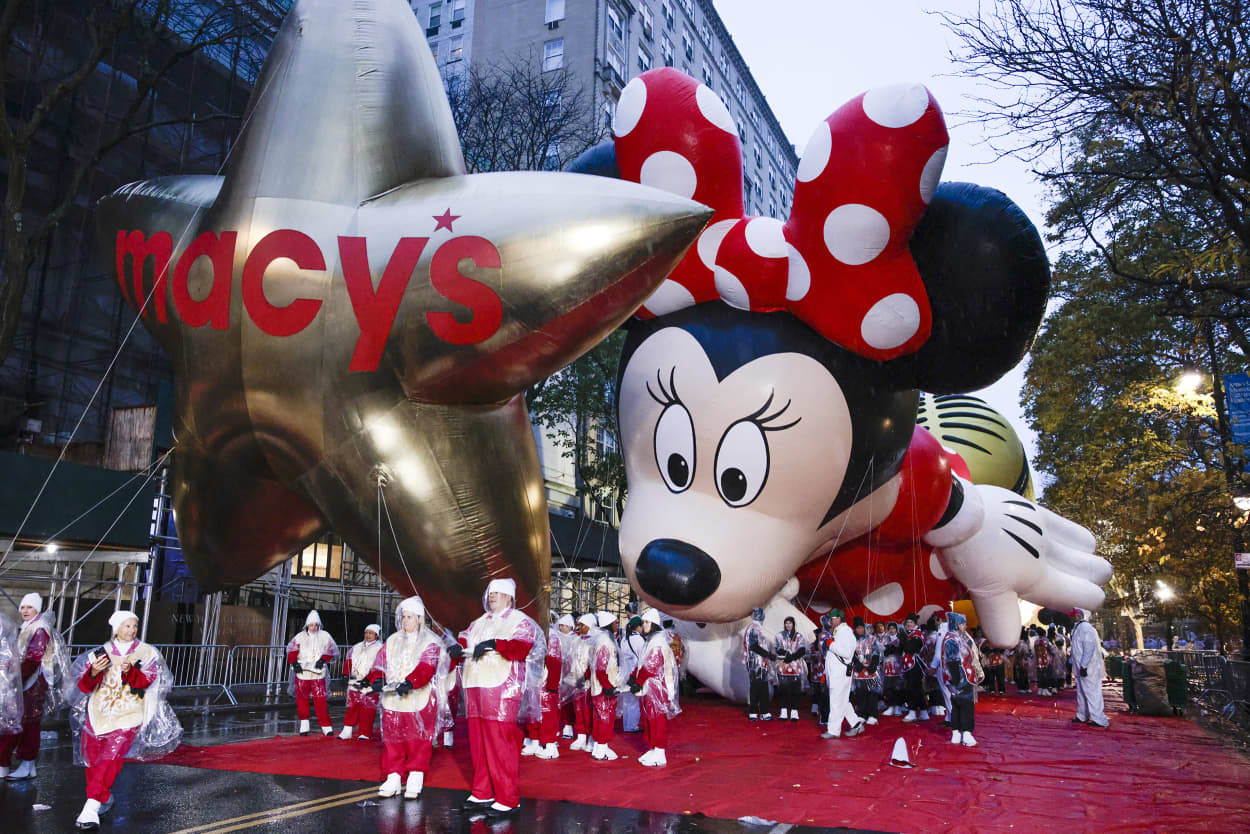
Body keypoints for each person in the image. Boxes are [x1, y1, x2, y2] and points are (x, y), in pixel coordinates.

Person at [69, 610, 181, 830]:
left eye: (134, 626)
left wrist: (130, 672)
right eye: (127, 626)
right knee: (92, 758)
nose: (131, 630)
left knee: (110, 758)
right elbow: (84, 686)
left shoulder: (146, 652)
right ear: (116, 628)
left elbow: (148, 681)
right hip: (98, 712)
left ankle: (90, 807)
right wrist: (93, 672)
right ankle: (103, 797)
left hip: (130, 714)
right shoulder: (101, 653)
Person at [459, 577, 542, 818]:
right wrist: (459, 646)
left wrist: (496, 643)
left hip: (502, 688)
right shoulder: (480, 621)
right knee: (478, 741)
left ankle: (507, 797)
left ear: (508, 596)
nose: (492, 596)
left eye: (497, 592)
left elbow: (522, 647)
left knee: (499, 742)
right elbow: (466, 637)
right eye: (490, 592)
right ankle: (482, 791)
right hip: (475, 685)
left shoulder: (520, 621)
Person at [369, 596, 449, 800]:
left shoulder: (430, 641)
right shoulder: (393, 640)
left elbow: (427, 666)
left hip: (418, 698)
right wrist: (377, 678)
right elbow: (380, 662)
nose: (405, 621)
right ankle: (393, 776)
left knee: (418, 739)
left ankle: (415, 776)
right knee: (392, 738)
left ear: (419, 619)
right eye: (403, 617)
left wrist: (411, 682)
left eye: (410, 617)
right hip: (393, 698)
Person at [2, 593, 68, 780]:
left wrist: (15, 677)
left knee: (28, 723)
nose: (25, 610)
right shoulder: (29, 627)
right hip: (26, 682)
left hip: (32, 683)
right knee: (23, 722)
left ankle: (27, 762)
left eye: (29, 607)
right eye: (23, 607)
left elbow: (32, 659)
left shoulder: (39, 629)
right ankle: (25, 764)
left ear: (37, 609)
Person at [630, 608, 680, 766]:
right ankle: (654, 748)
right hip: (650, 688)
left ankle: (660, 750)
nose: (644, 625)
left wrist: (637, 681)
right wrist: (634, 678)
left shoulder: (658, 643)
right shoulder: (651, 641)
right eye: (643, 622)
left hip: (658, 689)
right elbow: (642, 664)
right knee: (650, 719)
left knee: (658, 720)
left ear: (654, 624)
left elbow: (650, 666)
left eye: (646, 622)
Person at [286, 610, 338, 736]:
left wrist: (323, 660)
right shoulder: (300, 637)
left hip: (318, 672)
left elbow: (331, 650)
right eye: (311, 625)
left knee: (320, 699)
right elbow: (292, 651)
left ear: (319, 625)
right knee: (302, 698)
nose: (313, 627)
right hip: (302, 673)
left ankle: (325, 725)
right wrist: (294, 663)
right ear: (307, 625)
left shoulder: (325, 636)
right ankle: (304, 723)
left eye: (316, 625)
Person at [529, 613, 570, 759]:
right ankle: (536, 741)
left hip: (546, 682)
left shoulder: (551, 637)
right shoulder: (536, 634)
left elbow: (554, 660)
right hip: (536, 681)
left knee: (548, 714)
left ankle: (551, 745)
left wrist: (552, 684)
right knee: (534, 712)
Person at [821, 609, 865, 739]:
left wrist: (831, 644)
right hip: (836, 673)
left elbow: (846, 654)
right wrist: (826, 673)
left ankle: (833, 730)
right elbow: (832, 657)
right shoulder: (839, 632)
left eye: (832, 618)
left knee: (835, 701)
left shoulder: (845, 633)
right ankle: (857, 724)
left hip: (840, 673)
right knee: (842, 701)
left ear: (839, 619)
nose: (830, 620)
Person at [340, 624, 384, 740]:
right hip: (355, 680)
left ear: (376, 635)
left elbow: (380, 667)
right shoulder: (357, 647)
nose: (368, 635)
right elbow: (349, 660)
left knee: (368, 707)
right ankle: (347, 729)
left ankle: (364, 732)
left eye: (371, 633)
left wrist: (371, 680)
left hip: (369, 682)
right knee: (352, 706)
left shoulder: (380, 648)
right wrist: (345, 674)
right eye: (366, 632)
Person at [941, 612, 978, 747]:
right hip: (960, 677)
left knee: (956, 704)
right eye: (963, 624)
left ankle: (956, 733)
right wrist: (956, 678)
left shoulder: (955, 637)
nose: (965, 626)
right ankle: (966, 733)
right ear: (956, 624)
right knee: (966, 705)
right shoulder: (952, 639)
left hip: (958, 676)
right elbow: (953, 660)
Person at [588, 611, 622, 760]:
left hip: (599, 685)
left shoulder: (602, 640)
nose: (617, 625)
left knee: (599, 716)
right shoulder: (605, 643)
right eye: (615, 623)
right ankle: (602, 747)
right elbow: (601, 668)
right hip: (603, 687)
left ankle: (598, 747)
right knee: (605, 718)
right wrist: (608, 686)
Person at [1070, 608, 1109, 727]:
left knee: (1092, 692)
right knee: (1081, 693)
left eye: (1073, 616)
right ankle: (1082, 715)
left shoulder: (1086, 629)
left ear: (1078, 616)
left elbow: (1089, 648)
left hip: (1088, 668)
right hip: (1080, 666)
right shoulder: (1078, 628)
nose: (1071, 618)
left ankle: (1099, 719)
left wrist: (1084, 666)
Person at [567, 614, 596, 751]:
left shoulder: (594, 641)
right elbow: (573, 659)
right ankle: (581, 735)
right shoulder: (577, 640)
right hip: (577, 680)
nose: (580, 627)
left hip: (589, 681)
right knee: (578, 708)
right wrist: (573, 675)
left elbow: (594, 663)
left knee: (588, 709)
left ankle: (591, 736)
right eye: (580, 625)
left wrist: (585, 677)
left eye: (583, 625)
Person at [742, 607, 775, 721]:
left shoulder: (757, 628)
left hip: (760, 662)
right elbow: (753, 646)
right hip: (755, 662)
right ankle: (754, 711)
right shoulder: (754, 628)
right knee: (756, 687)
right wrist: (768, 655)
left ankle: (763, 711)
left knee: (762, 686)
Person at [773, 616, 807, 721]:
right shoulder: (779, 635)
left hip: (796, 666)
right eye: (786, 623)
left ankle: (794, 711)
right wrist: (785, 653)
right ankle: (783, 711)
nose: (788, 625)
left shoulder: (799, 636)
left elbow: (802, 650)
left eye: (790, 623)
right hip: (783, 666)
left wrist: (792, 657)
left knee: (795, 689)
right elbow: (777, 648)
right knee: (783, 689)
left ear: (793, 624)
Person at [850, 617, 883, 725]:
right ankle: (862, 714)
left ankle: (873, 715)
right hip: (858, 671)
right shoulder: (852, 639)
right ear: (854, 629)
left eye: (861, 628)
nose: (860, 630)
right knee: (860, 693)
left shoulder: (871, 638)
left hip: (870, 670)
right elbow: (850, 653)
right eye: (857, 628)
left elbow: (877, 652)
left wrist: (873, 664)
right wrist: (856, 662)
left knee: (872, 692)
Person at [618, 615, 646, 733]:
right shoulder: (638, 639)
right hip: (634, 672)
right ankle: (632, 726)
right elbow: (643, 656)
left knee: (627, 700)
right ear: (638, 626)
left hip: (624, 672)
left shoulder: (625, 638)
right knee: (634, 701)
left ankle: (627, 725)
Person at [899, 613, 929, 722]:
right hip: (909, 665)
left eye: (911, 622)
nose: (908, 624)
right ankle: (924, 712)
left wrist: (902, 637)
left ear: (915, 624)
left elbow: (910, 648)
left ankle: (912, 711)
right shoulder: (910, 634)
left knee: (913, 688)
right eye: (907, 623)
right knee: (916, 688)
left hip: (915, 665)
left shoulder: (917, 635)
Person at [808, 614, 831, 723]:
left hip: (830, 670)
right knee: (823, 694)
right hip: (821, 671)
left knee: (828, 694)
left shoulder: (831, 634)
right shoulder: (823, 636)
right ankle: (824, 716)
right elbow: (825, 652)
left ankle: (828, 716)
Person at [881, 642, 905, 715]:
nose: (891, 630)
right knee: (888, 686)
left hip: (898, 665)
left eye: (893, 629)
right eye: (890, 629)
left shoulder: (900, 637)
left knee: (898, 687)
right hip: (887, 665)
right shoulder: (886, 637)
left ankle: (898, 706)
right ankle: (891, 706)